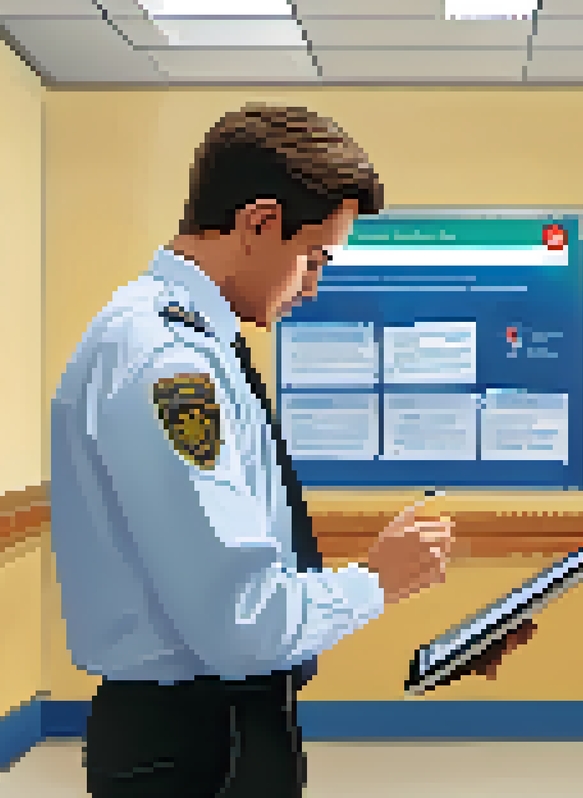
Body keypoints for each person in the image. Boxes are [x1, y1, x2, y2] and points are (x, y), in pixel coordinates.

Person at [49, 103, 536, 798]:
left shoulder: (194, 345)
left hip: (217, 725)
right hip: (192, 746)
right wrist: (377, 580)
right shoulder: (166, 362)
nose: (313, 285)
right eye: (313, 257)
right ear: (257, 223)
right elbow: (240, 621)